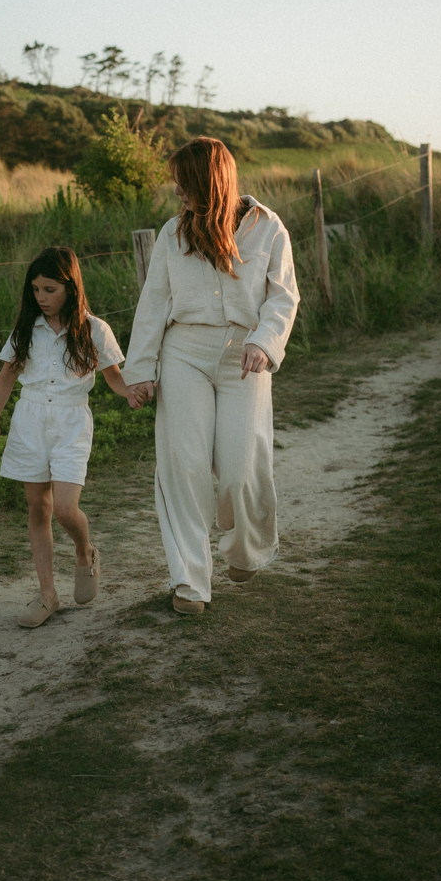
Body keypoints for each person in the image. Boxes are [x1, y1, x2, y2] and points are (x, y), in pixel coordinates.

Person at [123, 137, 299, 615]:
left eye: (183, 180)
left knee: (241, 467)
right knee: (183, 466)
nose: (175, 189)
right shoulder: (171, 235)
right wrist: (139, 370)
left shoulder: (268, 228)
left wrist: (265, 341)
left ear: (209, 181)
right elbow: (153, 304)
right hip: (183, 353)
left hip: (246, 355)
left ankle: (246, 548)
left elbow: (284, 296)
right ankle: (190, 582)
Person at [0, 246, 131, 628]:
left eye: (49, 289)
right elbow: (7, 374)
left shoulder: (94, 329)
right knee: (39, 508)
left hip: (71, 421)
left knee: (66, 509)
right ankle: (47, 594)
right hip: (30, 419)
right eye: (35, 289)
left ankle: (85, 553)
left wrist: (131, 392)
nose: (41, 298)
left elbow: (113, 375)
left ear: (70, 286)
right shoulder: (27, 328)